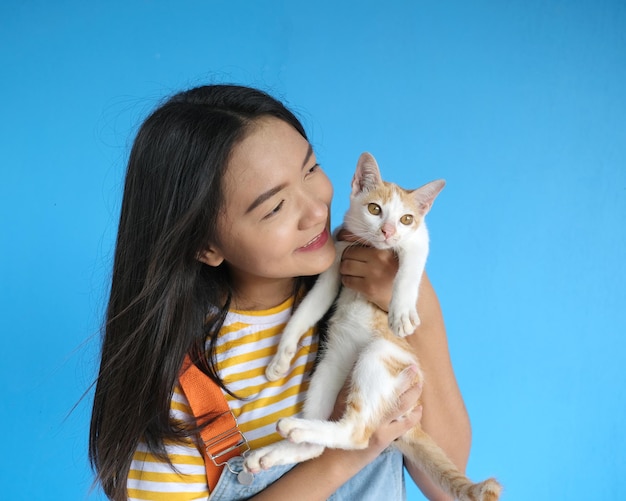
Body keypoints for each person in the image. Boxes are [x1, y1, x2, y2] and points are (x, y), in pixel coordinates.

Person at [89, 84, 471, 501]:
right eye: (274, 207)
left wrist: (422, 312)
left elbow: (450, 489)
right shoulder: (181, 388)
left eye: (311, 170)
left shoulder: (363, 297)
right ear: (205, 245)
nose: (315, 211)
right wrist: (348, 452)